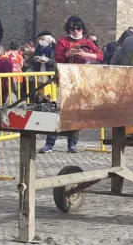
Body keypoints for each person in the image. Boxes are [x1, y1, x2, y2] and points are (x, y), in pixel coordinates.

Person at [41, 17, 103, 153]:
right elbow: (58, 58)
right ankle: (49, 143)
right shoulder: (63, 41)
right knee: (58, 110)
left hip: (81, 79)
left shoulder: (87, 42)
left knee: (75, 113)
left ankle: (72, 144)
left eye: (78, 29)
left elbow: (100, 56)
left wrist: (85, 53)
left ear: (82, 29)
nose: (75, 31)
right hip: (65, 79)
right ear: (68, 29)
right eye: (72, 29)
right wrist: (68, 53)